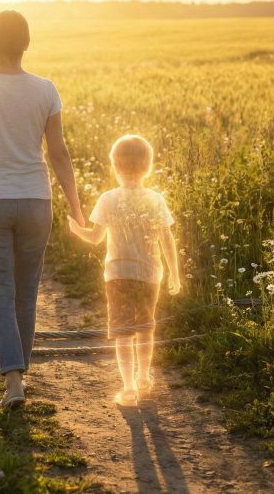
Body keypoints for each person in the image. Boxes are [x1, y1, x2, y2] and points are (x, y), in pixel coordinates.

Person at [0, 10, 85, 410]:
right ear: (26, 44)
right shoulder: (45, 90)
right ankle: (18, 371)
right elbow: (58, 153)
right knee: (26, 293)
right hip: (36, 201)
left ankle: (12, 379)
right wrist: (76, 207)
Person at [67, 134, 181, 406]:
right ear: (149, 167)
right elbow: (167, 241)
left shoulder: (108, 199)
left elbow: (95, 238)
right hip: (150, 276)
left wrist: (76, 229)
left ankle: (128, 387)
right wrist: (175, 274)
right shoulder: (155, 200)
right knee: (145, 328)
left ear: (115, 166)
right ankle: (143, 376)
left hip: (117, 275)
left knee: (122, 332)